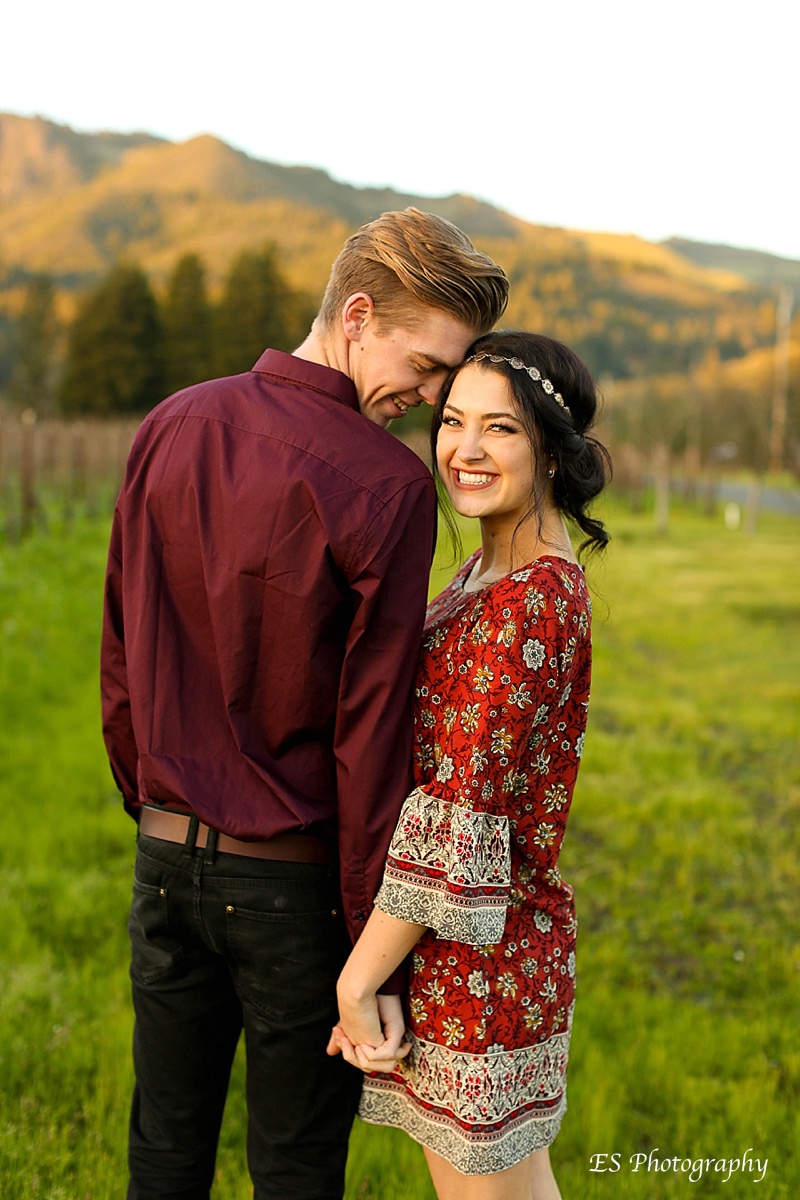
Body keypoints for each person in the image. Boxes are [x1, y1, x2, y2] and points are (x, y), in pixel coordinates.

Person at [100, 207, 508, 1200]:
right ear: (357, 316)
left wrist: (154, 810)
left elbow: (120, 656)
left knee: (163, 1152)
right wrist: (374, 953)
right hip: (294, 889)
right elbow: (372, 742)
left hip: (164, 862)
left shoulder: (170, 423)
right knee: (293, 1172)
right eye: (424, 366)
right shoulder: (389, 487)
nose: (428, 398)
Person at [329, 330, 611, 1200]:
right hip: (463, 945)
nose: (466, 448)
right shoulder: (483, 573)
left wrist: (358, 978)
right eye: (453, 421)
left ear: (550, 451)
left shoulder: (533, 601)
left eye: (501, 428)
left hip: (483, 958)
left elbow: (461, 817)